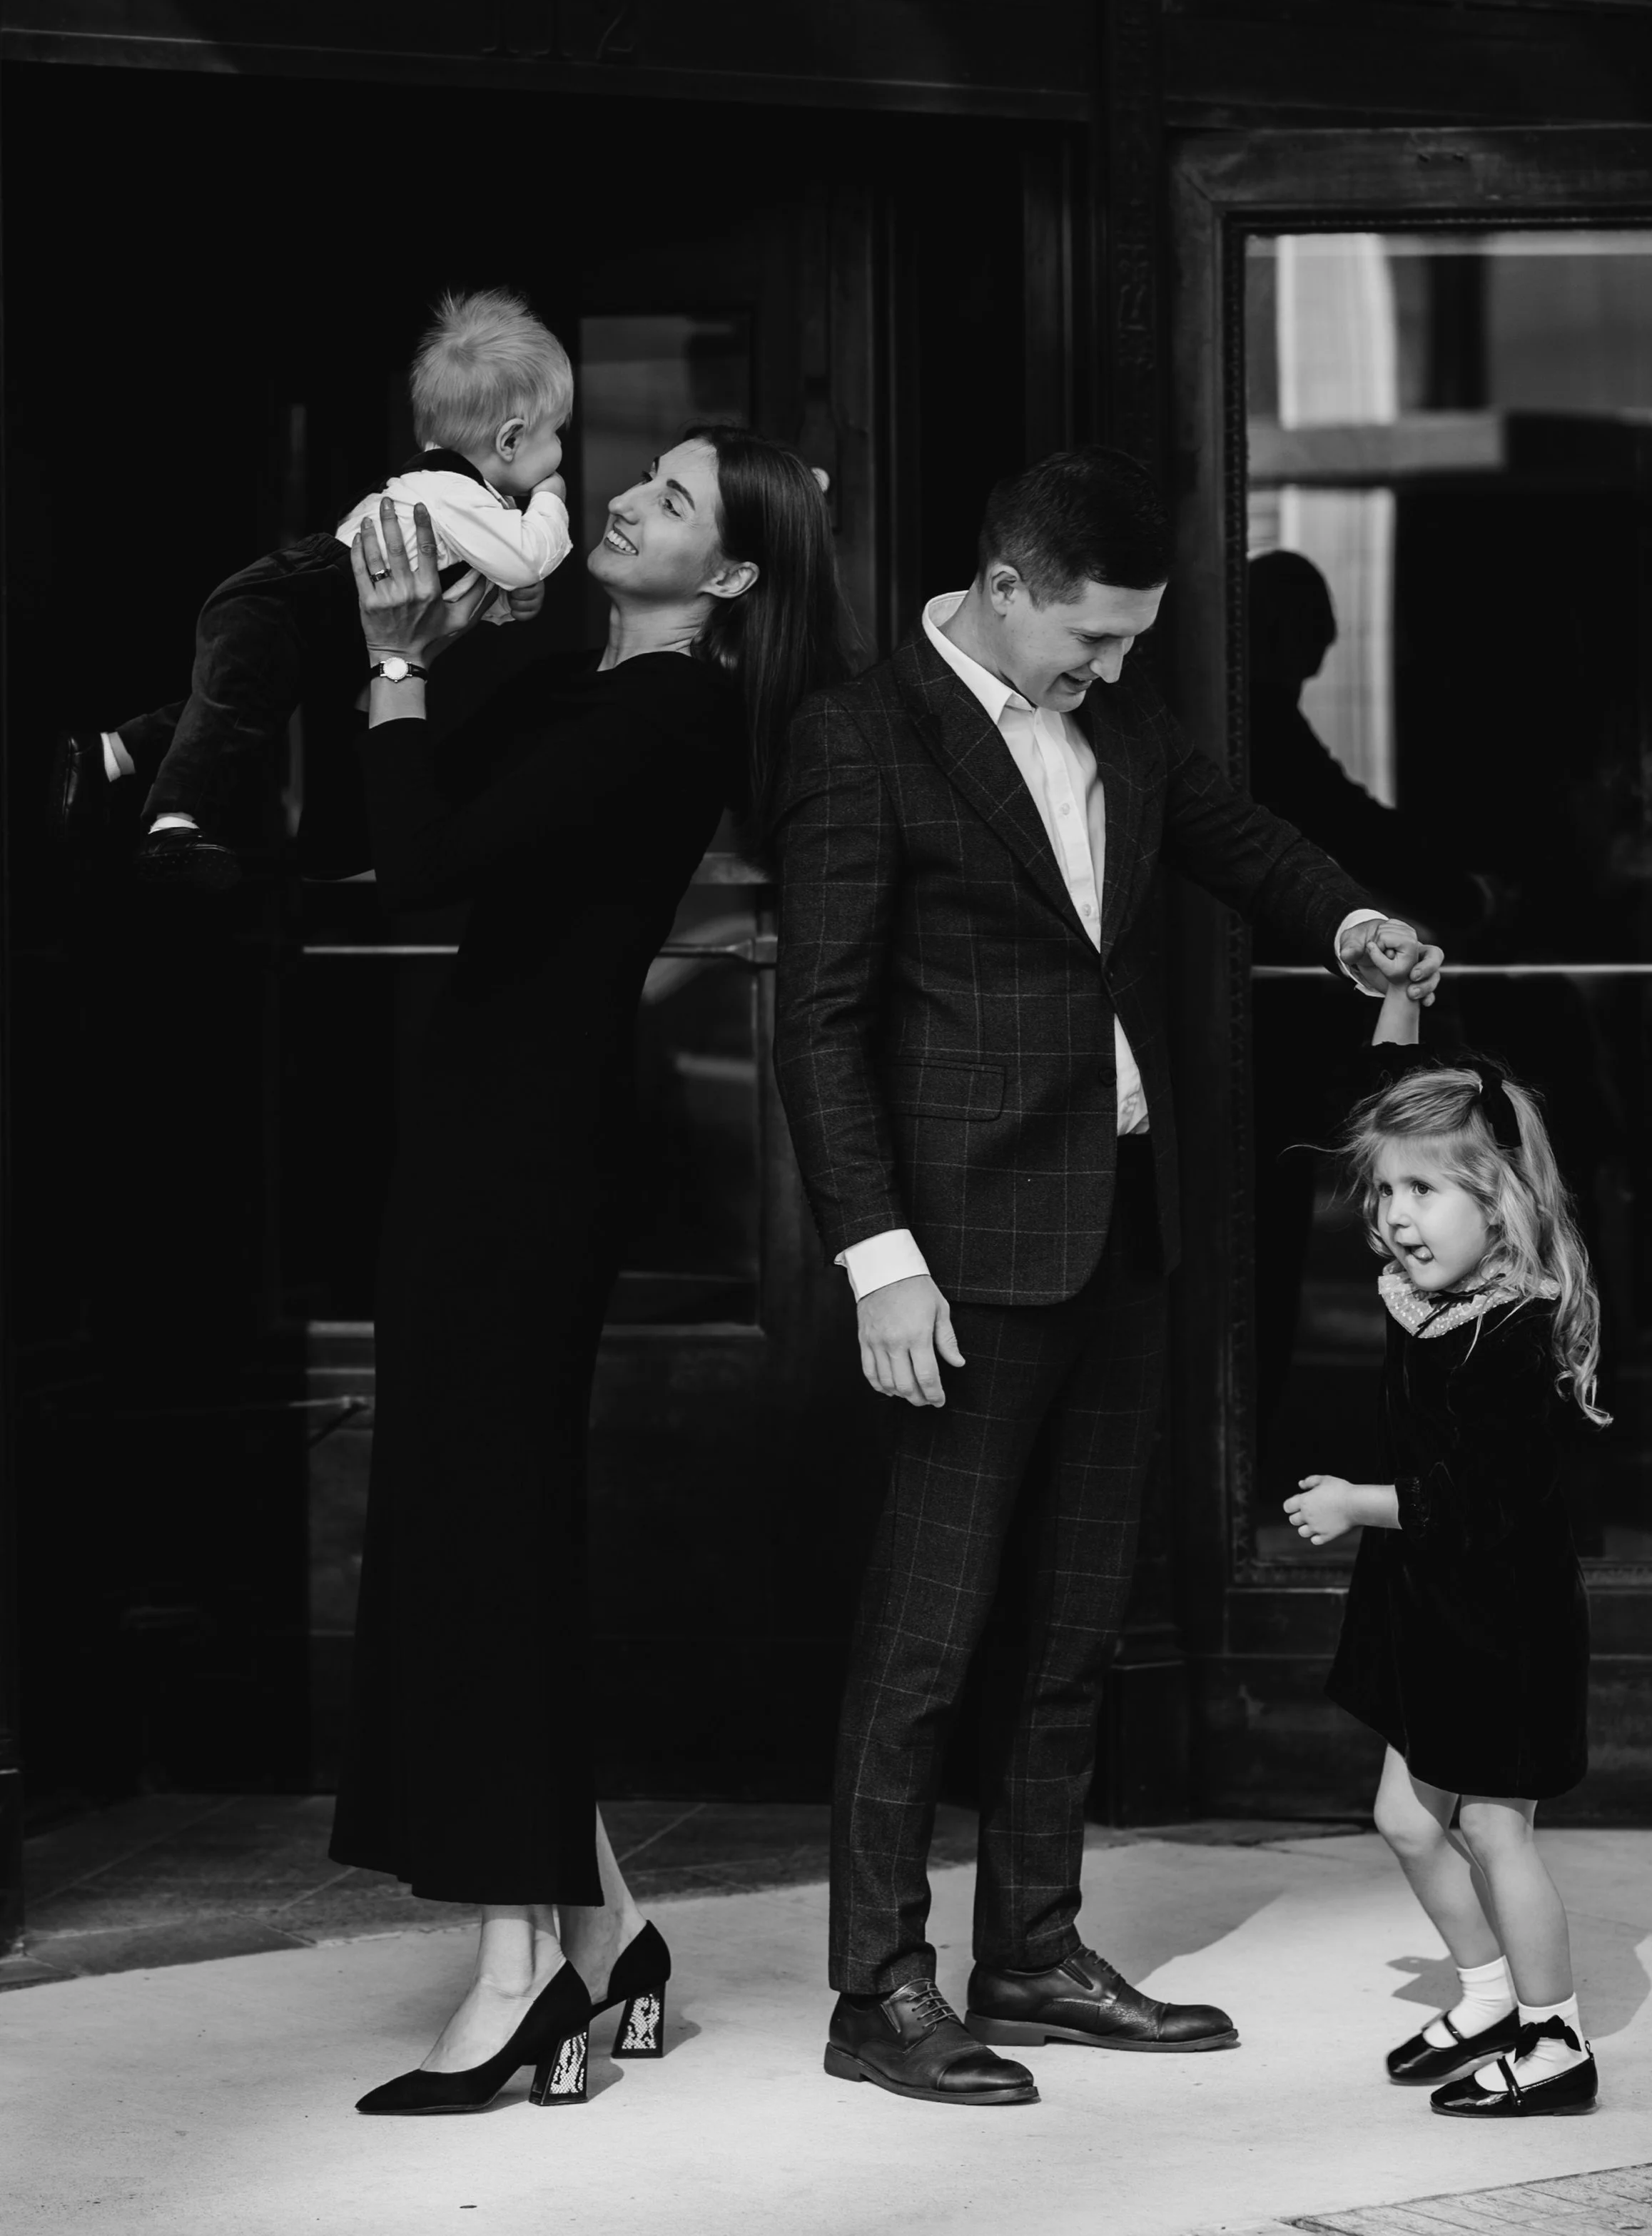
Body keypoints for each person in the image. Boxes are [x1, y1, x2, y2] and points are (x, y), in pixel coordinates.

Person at [772, 446, 1443, 2110]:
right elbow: (824, 1025)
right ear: (1003, 591)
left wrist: (1353, 921)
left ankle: (1033, 1950)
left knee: (1074, 1628)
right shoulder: (863, 737)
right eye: (1094, 637)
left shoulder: (1123, 724)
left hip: (1123, 1231)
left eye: (1134, 642)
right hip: (957, 1260)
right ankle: (877, 1991)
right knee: (927, 1644)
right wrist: (878, 1261)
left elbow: (1243, 838)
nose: (1116, 669)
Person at [329, 423, 848, 2117]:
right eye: (646, 477)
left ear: (735, 576)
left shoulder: (671, 713)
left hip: (529, 1155)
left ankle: (519, 1975)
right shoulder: (587, 685)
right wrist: (439, 652)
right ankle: (610, 1936)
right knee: (468, 1522)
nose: (626, 496)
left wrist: (402, 666)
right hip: (484, 1136)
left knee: (486, 1538)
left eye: (673, 499)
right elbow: (406, 798)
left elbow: (423, 858)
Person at [1284, 938, 1606, 2120]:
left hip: (1499, 1620)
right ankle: (1483, 1991)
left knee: (1491, 1830)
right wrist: (1399, 1003)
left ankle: (1555, 2034)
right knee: (1402, 1818)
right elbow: (1384, 1110)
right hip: (1430, 1604)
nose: (1396, 1215)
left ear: (1500, 1203)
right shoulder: (1433, 1299)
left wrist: (1357, 1504)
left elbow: (1483, 1502)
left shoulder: (1512, 1335)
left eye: (1425, 1192)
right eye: (1387, 1192)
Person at [51, 289, 574, 891]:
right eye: (557, 434)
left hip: (322, 614)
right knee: (233, 714)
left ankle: (107, 754)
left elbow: (452, 587)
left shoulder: (460, 494)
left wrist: (506, 605)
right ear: (510, 441)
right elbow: (531, 552)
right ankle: (171, 824)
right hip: (294, 598)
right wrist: (552, 496)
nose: (560, 450)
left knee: (238, 707)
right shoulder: (452, 493)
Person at [1247, 549, 1490, 1455]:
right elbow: (1342, 822)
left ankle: (1254, 1426)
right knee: (1263, 1234)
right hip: (1257, 1024)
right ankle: (1251, 1431)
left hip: (1284, 1011)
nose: (1320, 659)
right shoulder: (1256, 723)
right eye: (1312, 638)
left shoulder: (1264, 718)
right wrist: (1463, 899)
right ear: (1273, 633)